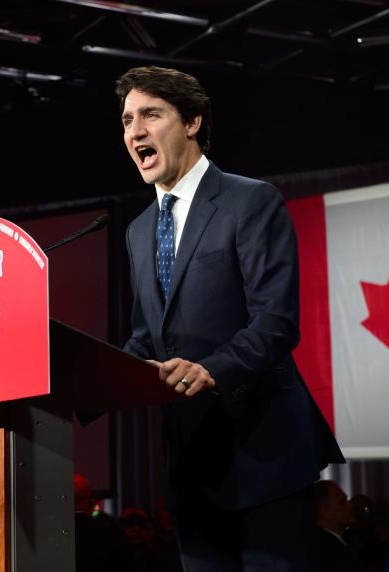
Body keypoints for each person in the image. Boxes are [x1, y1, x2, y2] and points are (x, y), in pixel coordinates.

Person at [117, 65, 344, 571]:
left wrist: (211, 369)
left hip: (264, 459)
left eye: (151, 115)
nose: (135, 131)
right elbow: (144, 339)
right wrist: (80, 382)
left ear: (193, 121)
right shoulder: (136, 232)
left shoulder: (250, 201)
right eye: (128, 119)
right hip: (191, 468)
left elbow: (275, 322)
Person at [314, 480, 361, 572]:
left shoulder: (321, 546)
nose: (351, 505)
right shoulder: (332, 553)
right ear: (324, 510)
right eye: (342, 502)